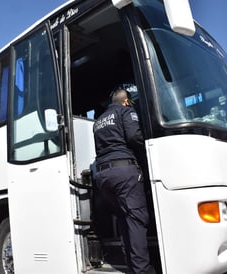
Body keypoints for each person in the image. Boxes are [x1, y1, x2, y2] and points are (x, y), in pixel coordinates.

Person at [93, 88, 155, 274]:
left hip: (103, 176)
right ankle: (142, 270)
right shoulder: (126, 111)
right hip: (123, 171)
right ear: (126, 101)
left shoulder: (98, 122)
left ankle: (131, 265)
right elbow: (134, 137)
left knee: (123, 219)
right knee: (136, 219)